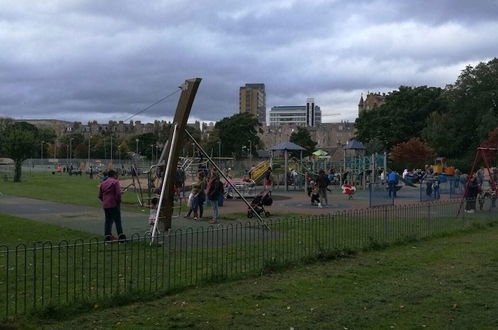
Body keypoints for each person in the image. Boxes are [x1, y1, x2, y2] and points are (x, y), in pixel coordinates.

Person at [98, 169, 125, 242]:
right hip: (114, 204)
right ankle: (121, 237)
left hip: (106, 205)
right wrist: (118, 201)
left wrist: (105, 201)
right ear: (114, 175)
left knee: (108, 221)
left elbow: (100, 195)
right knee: (117, 221)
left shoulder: (103, 183)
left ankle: (107, 237)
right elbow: (118, 194)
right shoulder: (115, 182)